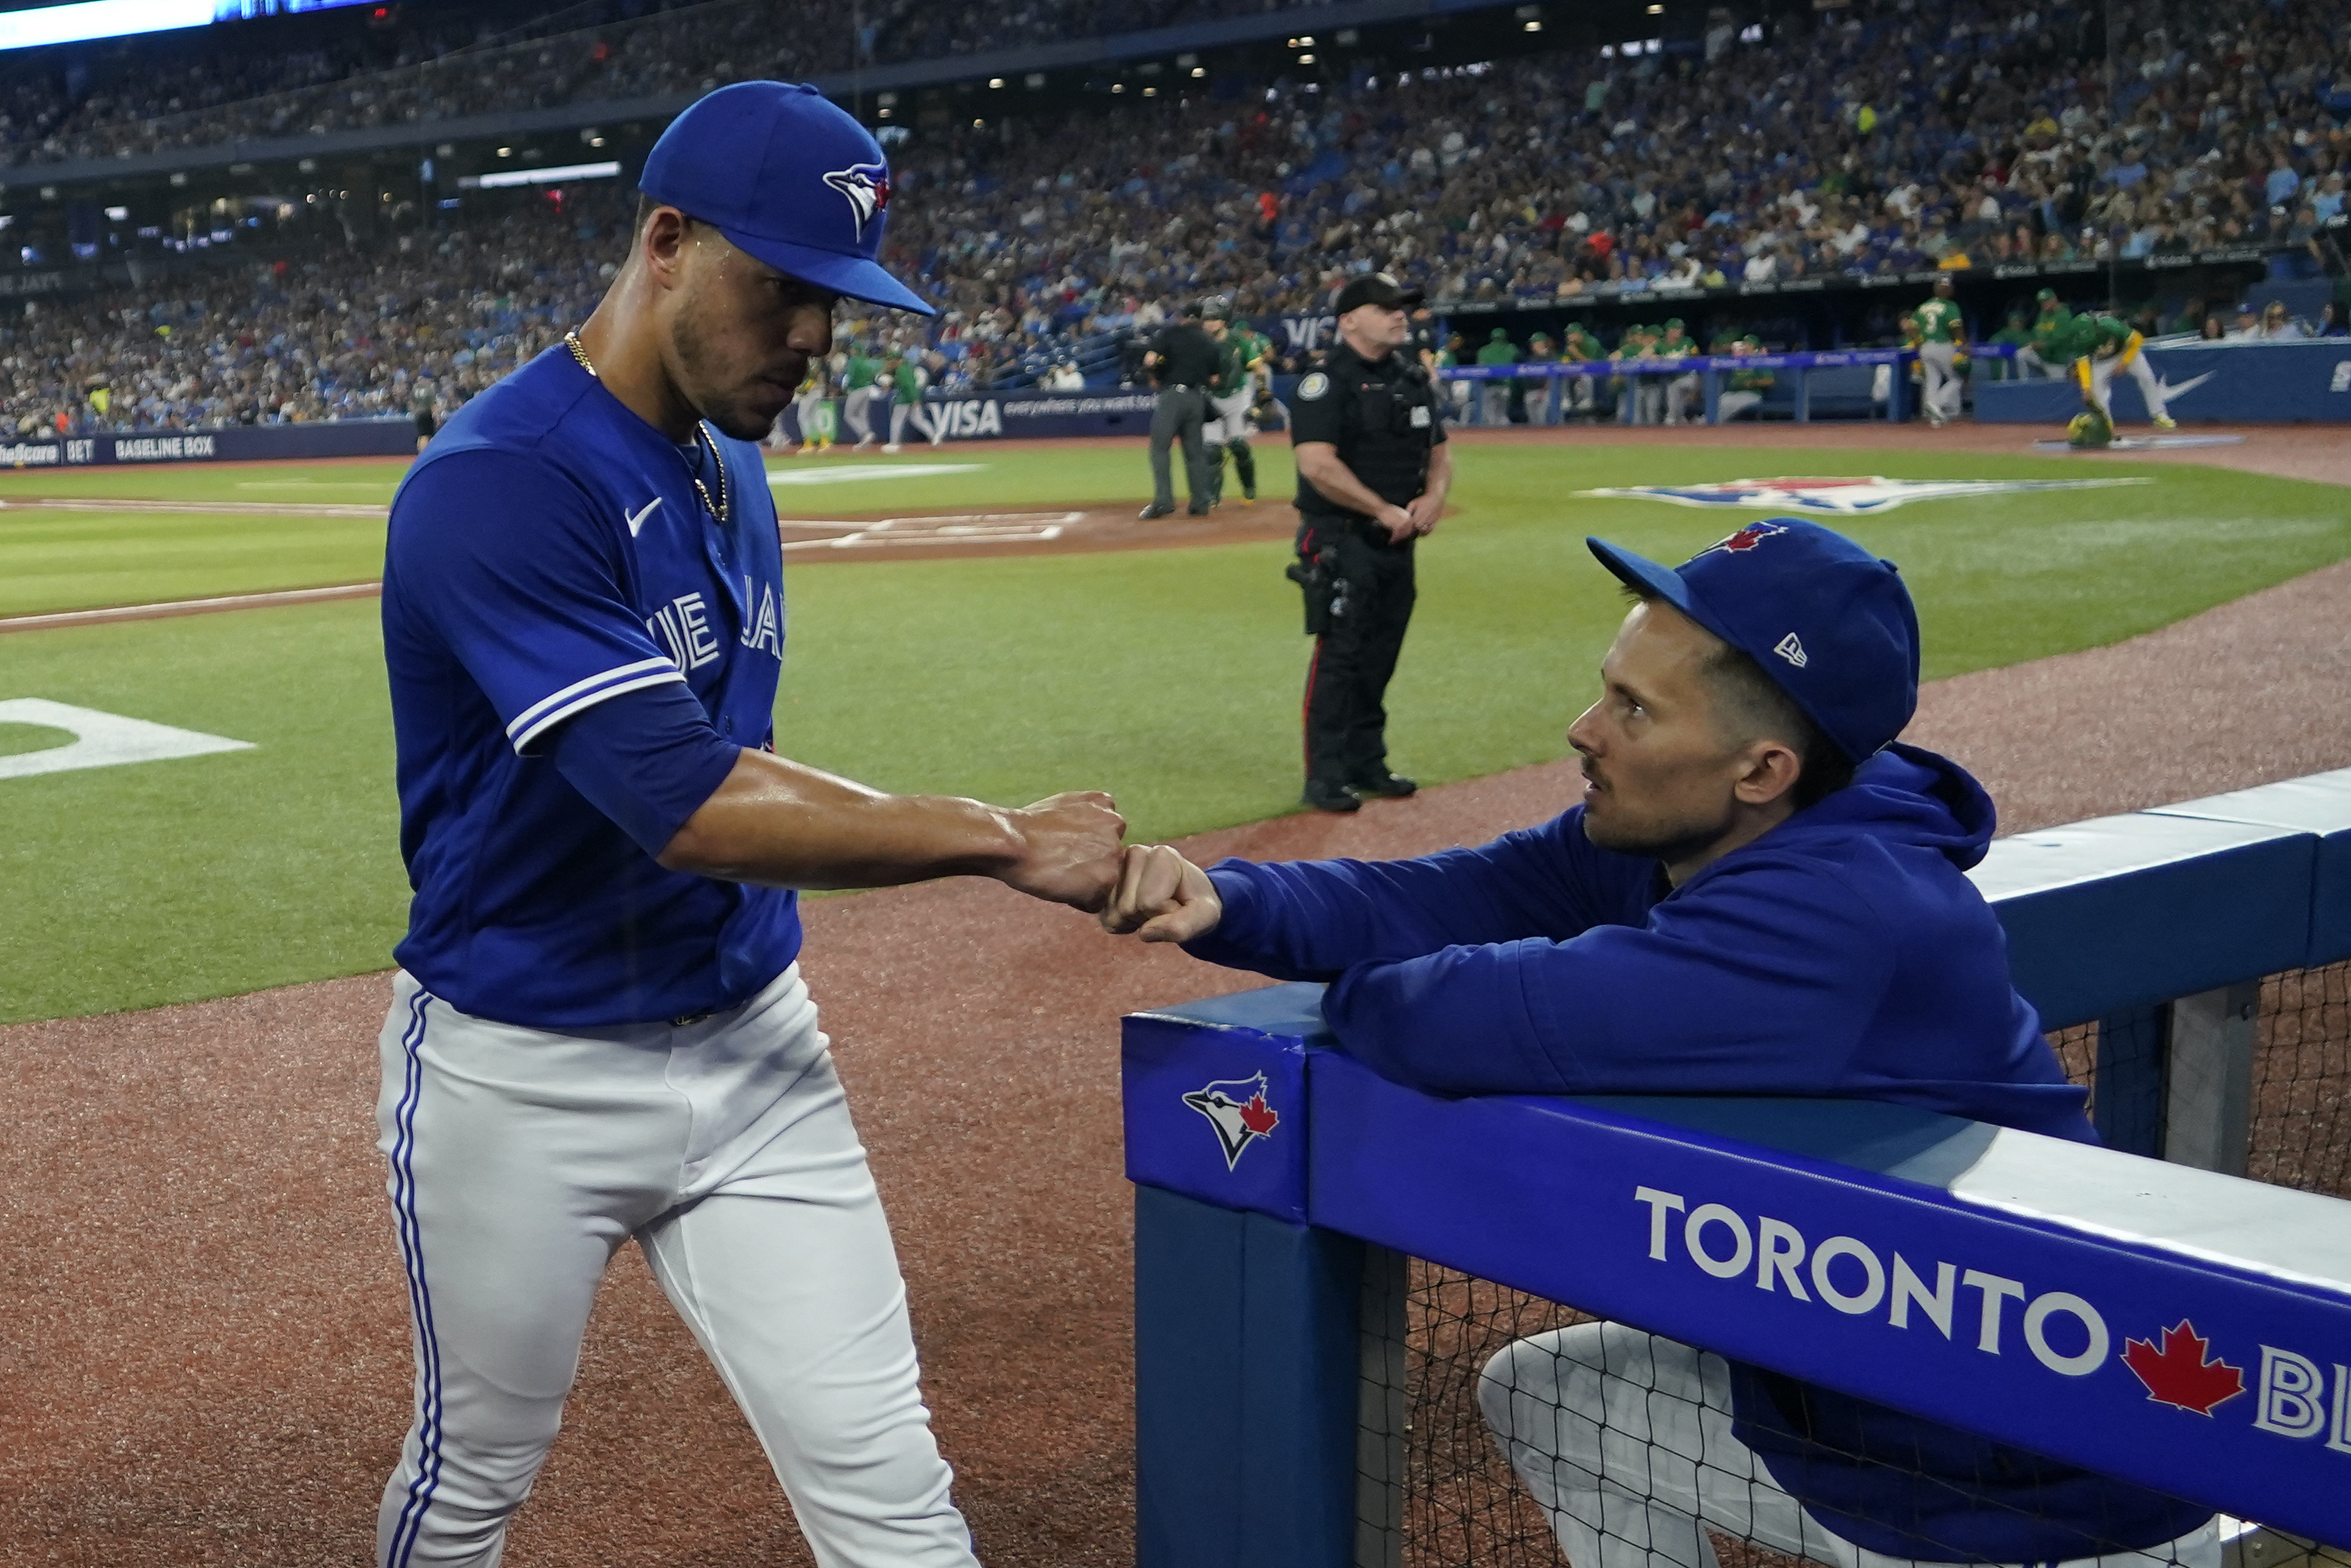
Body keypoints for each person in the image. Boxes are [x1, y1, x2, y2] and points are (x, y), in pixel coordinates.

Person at [1097, 518, 2220, 1568]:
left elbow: (1449, 1015)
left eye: (1633, 710)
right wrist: (1225, 901)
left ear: (1762, 767)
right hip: (1849, 1407)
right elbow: (1464, 891)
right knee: (1552, 1397)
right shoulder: (1727, 822)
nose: (1584, 730)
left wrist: (1356, 984)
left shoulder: (1838, 917)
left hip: (2037, 1498)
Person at [373, 82, 1126, 1568]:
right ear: (666, 241)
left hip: (758, 1045)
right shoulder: (499, 483)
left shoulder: (737, 465)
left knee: (892, 1488)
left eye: (834, 300)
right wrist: (1000, 833)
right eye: (781, 289)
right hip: (524, 1070)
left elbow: (731, 747)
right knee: (473, 1477)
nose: (816, 341)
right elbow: (692, 800)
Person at [1284, 270, 1451, 814]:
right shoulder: (1325, 382)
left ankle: (1365, 760)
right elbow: (1316, 464)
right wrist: (1381, 508)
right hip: (1339, 536)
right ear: (1349, 320)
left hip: (1397, 541)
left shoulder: (1411, 377)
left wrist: (1432, 497)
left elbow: (1439, 453)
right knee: (1340, 656)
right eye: (1386, 307)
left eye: (1402, 306)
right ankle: (1325, 773)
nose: (1400, 314)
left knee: (1381, 652)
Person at [1140, 302, 1219, 519]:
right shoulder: (1208, 341)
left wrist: (1155, 376)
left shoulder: (1171, 333)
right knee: (1195, 452)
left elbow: (1150, 360)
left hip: (1172, 396)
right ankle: (1201, 503)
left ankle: (1164, 502)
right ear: (1201, 318)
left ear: (1182, 317)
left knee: (1160, 448)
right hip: (1196, 398)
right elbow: (1214, 378)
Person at [2053, 309, 2178, 444]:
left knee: (2146, 377)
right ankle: (2106, 427)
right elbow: (2083, 364)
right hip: (2102, 360)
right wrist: (2086, 388)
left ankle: (2159, 414)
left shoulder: (2109, 324)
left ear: (2095, 325)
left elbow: (2137, 339)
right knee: (2096, 389)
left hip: (2125, 351)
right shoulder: (2078, 339)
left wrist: (2125, 362)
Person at [1198, 298, 1257, 506]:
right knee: (1212, 450)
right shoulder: (1201, 343)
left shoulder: (1239, 341)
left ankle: (1249, 487)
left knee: (1238, 445)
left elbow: (1254, 370)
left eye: (1214, 319)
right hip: (1210, 399)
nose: (1209, 323)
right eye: (1206, 319)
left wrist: (1260, 398)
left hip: (1236, 397)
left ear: (1224, 321)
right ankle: (1213, 495)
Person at [1914, 275, 1965, 425]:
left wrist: (1917, 342)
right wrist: (1964, 344)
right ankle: (1935, 404)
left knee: (1933, 380)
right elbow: (1956, 326)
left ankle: (1934, 417)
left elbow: (1911, 326)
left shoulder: (1923, 306)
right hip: (1943, 345)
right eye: (1948, 287)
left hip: (1926, 347)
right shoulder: (1950, 306)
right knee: (1956, 379)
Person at [883, 348, 936, 451]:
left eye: (892, 360)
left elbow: (907, 385)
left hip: (904, 399)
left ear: (897, 360)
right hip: (912, 396)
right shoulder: (908, 367)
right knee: (918, 420)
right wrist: (915, 398)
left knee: (897, 421)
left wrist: (913, 398)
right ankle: (934, 436)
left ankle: (894, 443)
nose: (891, 362)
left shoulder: (901, 369)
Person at [839, 337, 882, 449]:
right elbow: (872, 374)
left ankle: (866, 433)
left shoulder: (854, 361)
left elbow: (850, 377)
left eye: (852, 349)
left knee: (849, 415)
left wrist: (846, 386)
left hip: (857, 389)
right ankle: (866, 439)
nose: (851, 351)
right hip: (867, 388)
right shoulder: (866, 360)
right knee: (862, 415)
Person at [1475, 326, 1519, 426]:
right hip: (1505, 386)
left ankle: (1492, 438)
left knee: (1490, 417)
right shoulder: (1512, 349)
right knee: (1502, 416)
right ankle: (1506, 438)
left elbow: (1480, 367)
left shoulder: (1484, 351)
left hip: (1489, 386)